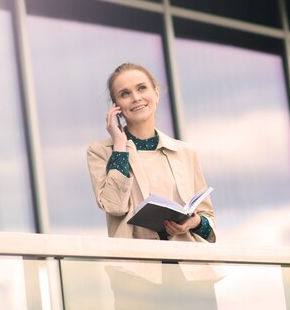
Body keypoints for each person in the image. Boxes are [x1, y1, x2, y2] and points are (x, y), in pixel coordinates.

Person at [87, 62, 216, 242]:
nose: (136, 98)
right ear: (116, 107)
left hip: (188, 263)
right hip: (135, 265)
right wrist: (119, 147)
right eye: (125, 94)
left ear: (156, 94)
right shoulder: (100, 152)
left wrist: (194, 222)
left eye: (142, 88)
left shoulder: (186, 152)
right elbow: (114, 206)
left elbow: (208, 221)